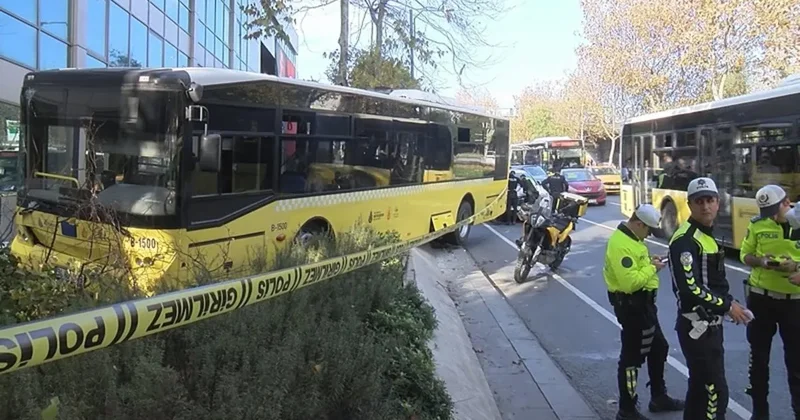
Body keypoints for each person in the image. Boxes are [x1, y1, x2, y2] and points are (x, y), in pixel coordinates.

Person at [668, 177, 751, 420]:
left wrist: (731, 303)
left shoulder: (707, 236)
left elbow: (714, 282)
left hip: (710, 327)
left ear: (718, 202)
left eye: (710, 200)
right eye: (699, 201)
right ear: (690, 204)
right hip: (697, 328)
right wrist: (727, 306)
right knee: (715, 392)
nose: (706, 206)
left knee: (698, 390)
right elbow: (690, 289)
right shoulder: (686, 240)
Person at [604, 204, 685, 420]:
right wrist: (653, 268)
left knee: (659, 348)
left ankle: (658, 396)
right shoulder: (621, 244)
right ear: (638, 224)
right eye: (648, 229)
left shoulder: (633, 239)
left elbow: (635, 268)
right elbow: (630, 282)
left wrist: (649, 262)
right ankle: (627, 409)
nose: (649, 234)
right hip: (632, 307)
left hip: (644, 306)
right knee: (632, 359)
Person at [739, 184, 800, 419]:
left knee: (796, 363)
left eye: (776, 210)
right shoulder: (757, 224)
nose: (773, 216)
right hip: (761, 300)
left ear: (787, 203)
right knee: (758, 359)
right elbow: (745, 254)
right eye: (768, 212)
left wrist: (795, 267)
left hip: (794, 303)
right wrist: (762, 262)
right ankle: (759, 412)